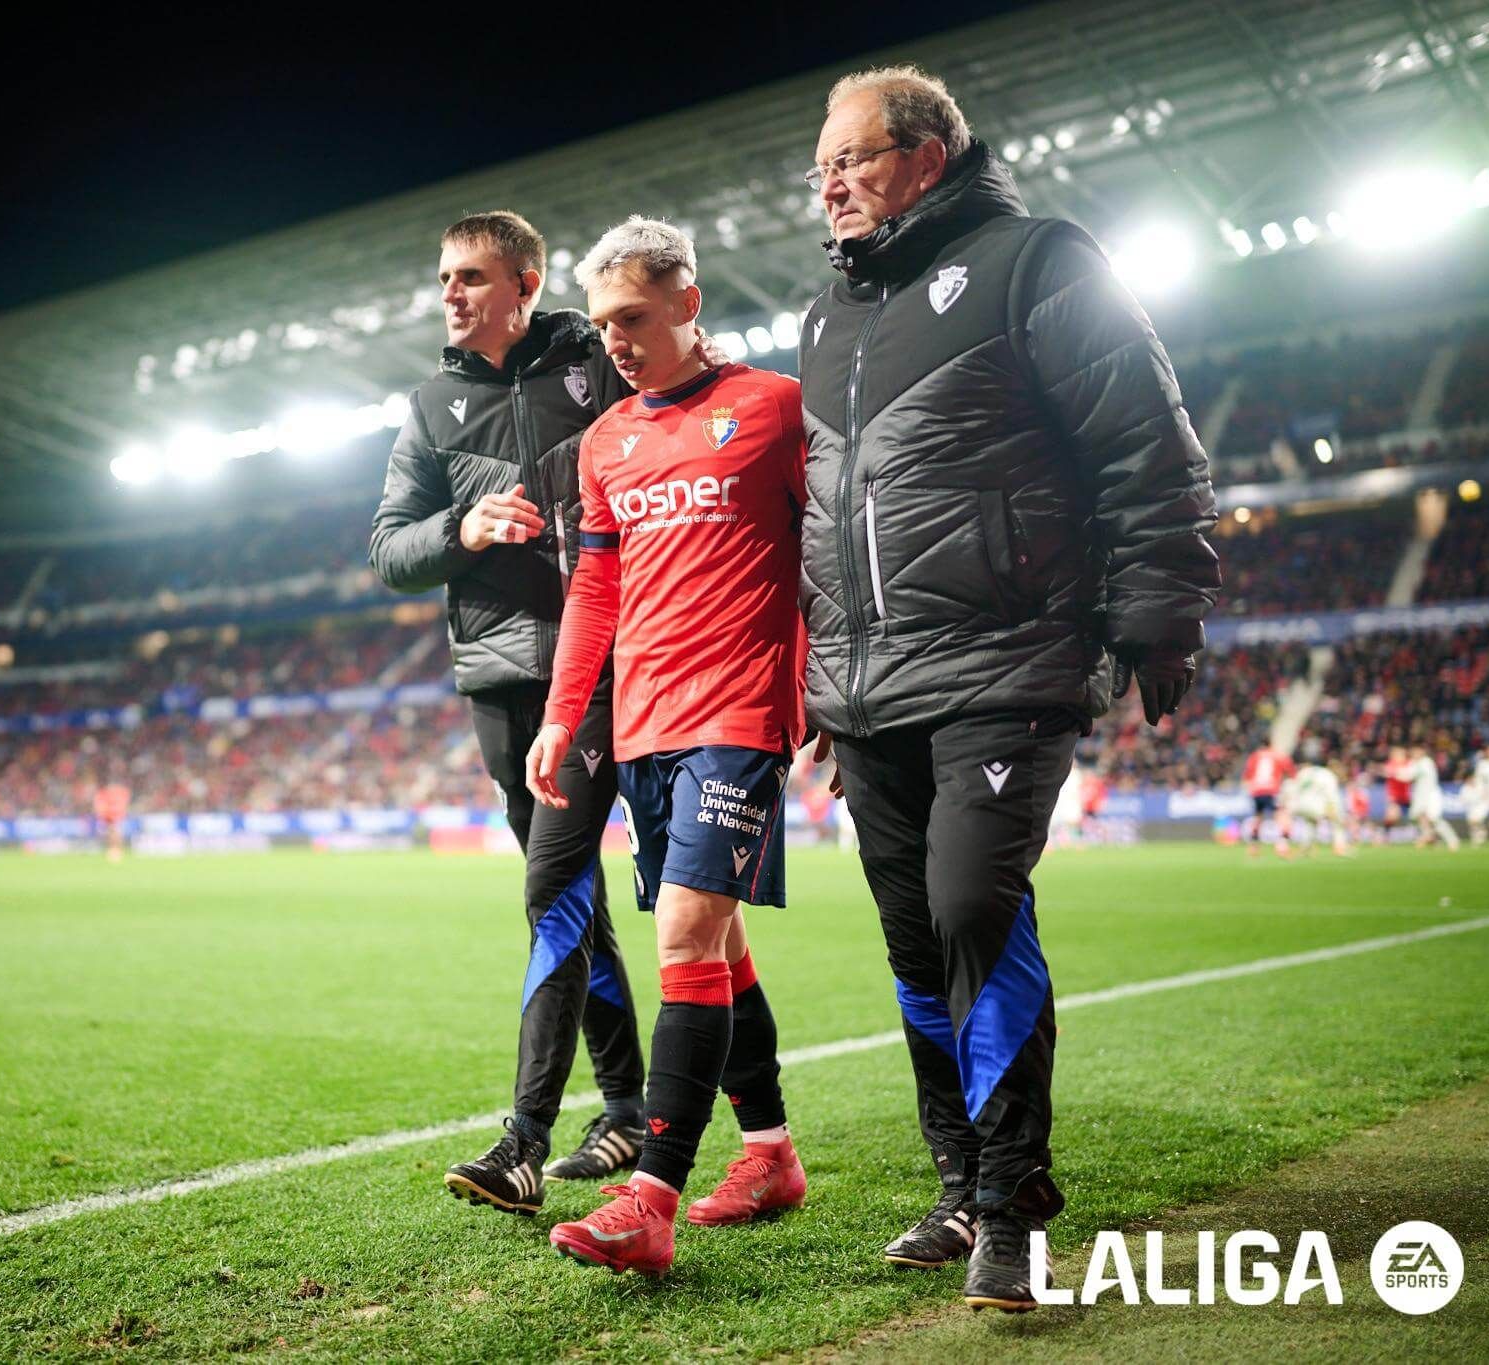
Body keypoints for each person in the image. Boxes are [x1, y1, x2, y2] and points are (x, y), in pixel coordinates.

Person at [794, 66, 1221, 1311]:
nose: (826, 182)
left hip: (1007, 655)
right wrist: (822, 677)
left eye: (850, 156)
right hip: (867, 687)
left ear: (925, 154)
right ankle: (954, 1178)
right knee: (912, 941)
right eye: (816, 165)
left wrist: (1158, 616)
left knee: (971, 904)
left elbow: (1144, 440)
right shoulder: (827, 319)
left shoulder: (1037, 260)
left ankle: (1008, 1202)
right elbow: (816, 510)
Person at [527, 217, 809, 1277]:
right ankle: (770, 1153)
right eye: (601, 324)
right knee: (719, 948)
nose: (614, 340)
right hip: (642, 720)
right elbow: (594, 589)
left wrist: (819, 669)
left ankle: (649, 1200)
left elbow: (825, 544)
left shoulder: (774, 407)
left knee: (686, 938)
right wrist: (563, 713)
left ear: (687, 301)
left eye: (632, 318)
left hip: (738, 713)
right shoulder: (605, 444)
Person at [369, 211, 649, 1216]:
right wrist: (464, 525)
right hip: (498, 682)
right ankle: (626, 1105)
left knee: (553, 892)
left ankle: (523, 1141)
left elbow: (667, 430)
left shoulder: (590, 358)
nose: (449, 294)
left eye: (470, 277)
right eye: (443, 278)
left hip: (602, 668)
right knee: (571, 897)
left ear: (523, 282)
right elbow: (390, 550)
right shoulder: (430, 405)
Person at [1285, 762, 1351, 857]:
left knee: (1310, 824)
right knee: (1338, 823)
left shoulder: (1304, 771)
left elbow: (1294, 787)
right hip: (1316, 804)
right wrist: (1332, 810)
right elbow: (1331, 795)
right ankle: (1340, 848)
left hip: (1300, 804)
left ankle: (1305, 849)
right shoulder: (1328, 774)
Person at [1243, 740, 1295, 859]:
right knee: (1280, 815)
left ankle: (1253, 847)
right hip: (1272, 790)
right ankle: (1282, 846)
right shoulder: (1277, 755)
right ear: (1271, 745)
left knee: (1258, 817)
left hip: (1256, 791)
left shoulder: (1254, 756)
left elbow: (1247, 776)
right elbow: (1290, 771)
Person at [1407, 745, 1461, 851]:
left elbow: (1409, 775)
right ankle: (1429, 838)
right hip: (1421, 795)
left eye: (1417, 751)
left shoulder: (1426, 762)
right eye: (1413, 751)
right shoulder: (1414, 763)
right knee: (1419, 817)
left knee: (1434, 819)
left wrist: (1393, 772)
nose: (1415, 754)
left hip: (1432, 795)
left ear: (1422, 752)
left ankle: (1453, 840)